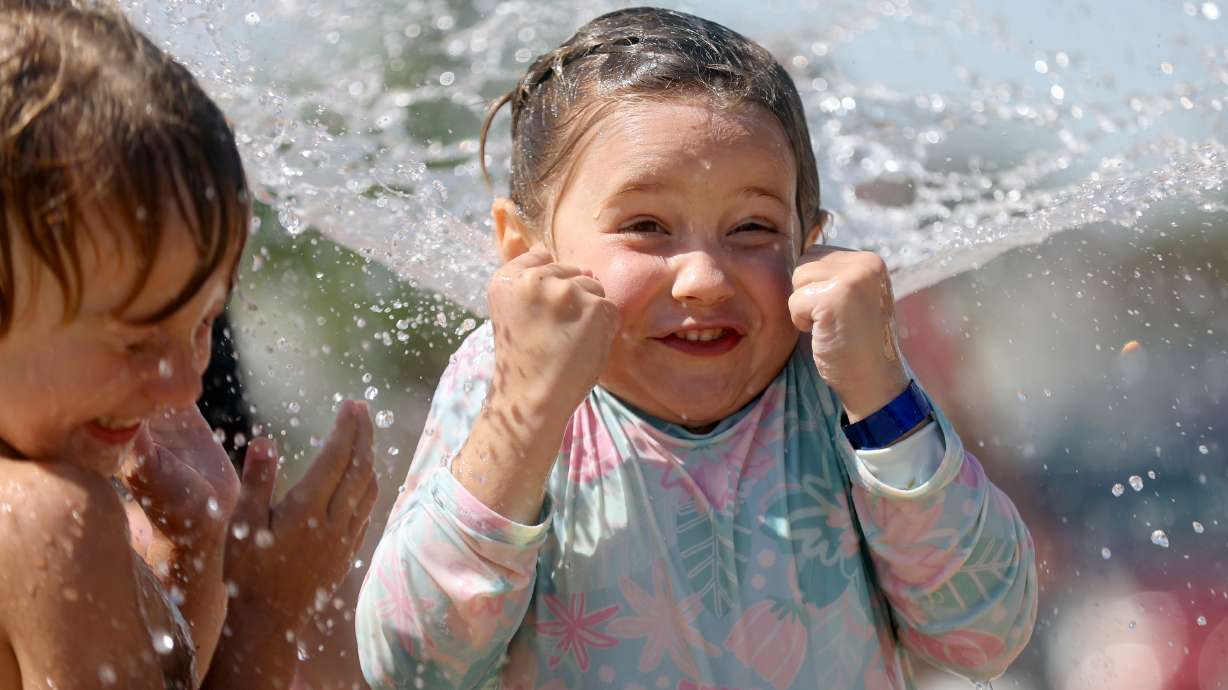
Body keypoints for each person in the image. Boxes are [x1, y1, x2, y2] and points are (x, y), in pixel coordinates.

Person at [356, 7, 1038, 689]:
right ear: (523, 252)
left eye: (751, 227)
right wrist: (526, 411)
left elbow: (982, 638)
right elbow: (412, 666)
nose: (706, 280)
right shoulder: (502, 382)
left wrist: (883, 394)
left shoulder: (841, 381)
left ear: (811, 241)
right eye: (646, 225)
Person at [0, 1, 377, 688]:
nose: (182, 385)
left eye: (204, 324)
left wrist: (192, 551)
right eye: (137, 338)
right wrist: (268, 611)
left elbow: (168, 675)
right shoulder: (48, 521)